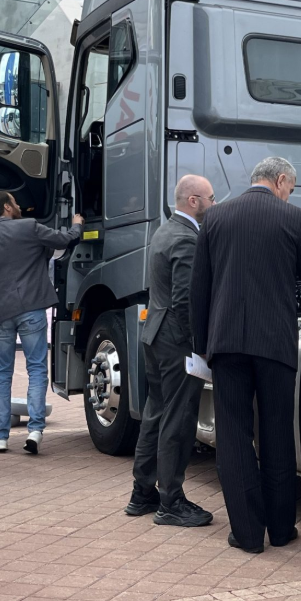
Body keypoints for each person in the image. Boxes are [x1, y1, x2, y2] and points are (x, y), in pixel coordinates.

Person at [191, 157, 301, 554]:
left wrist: (202, 344)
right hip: (275, 344)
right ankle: (280, 529)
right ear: (280, 181)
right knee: (276, 433)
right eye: (289, 189)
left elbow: (199, 288)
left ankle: (246, 534)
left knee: (233, 436)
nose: (288, 195)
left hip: (226, 344)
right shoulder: (293, 218)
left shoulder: (216, 217)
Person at [125, 175, 216, 527]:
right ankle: (172, 502)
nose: (214, 203)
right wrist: (200, 347)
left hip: (156, 335)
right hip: (177, 342)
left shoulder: (165, 232)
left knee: (155, 416)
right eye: (211, 197)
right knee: (178, 420)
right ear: (193, 200)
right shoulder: (187, 239)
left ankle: (142, 494)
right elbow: (185, 302)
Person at [0, 191, 83, 454]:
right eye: (15, 202)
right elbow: (64, 240)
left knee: (2, 375)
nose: (19, 205)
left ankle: (0, 437)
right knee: (37, 370)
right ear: (7, 207)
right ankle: (35, 430)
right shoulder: (29, 227)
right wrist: (77, 224)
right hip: (32, 308)